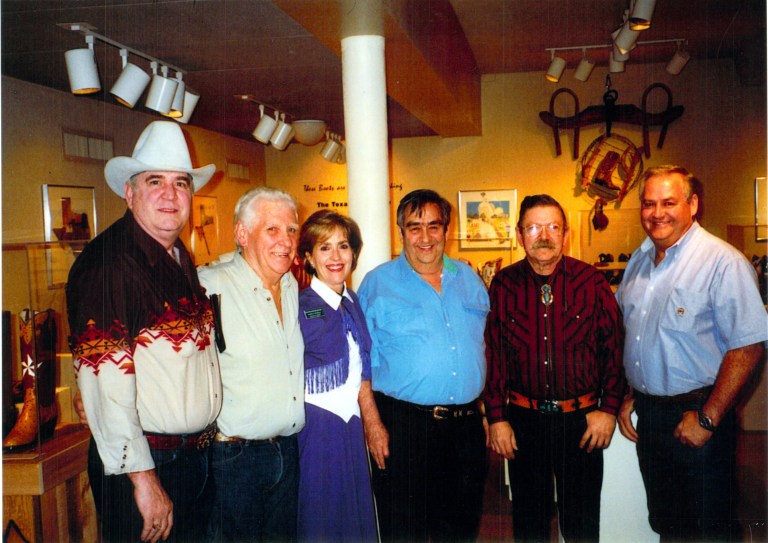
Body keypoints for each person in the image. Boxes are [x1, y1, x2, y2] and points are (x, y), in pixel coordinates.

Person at [66, 121, 222, 543]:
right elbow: (106, 386)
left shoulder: (176, 256)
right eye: (156, 181)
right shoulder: (110, 266)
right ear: (129, 192)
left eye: (181, 183)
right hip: (148, 467)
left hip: (189, 460)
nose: (170, 195)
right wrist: (144, 480)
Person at [616, 165, 767, 541]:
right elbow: (637, 336)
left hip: (698, 414)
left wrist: (708, 418)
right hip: (651, 418)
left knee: (710, 527)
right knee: (668, 524)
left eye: (669, 202)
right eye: (649, 203)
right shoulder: (639, 260)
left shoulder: (722, 262)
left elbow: (747, 346)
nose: (657, 212)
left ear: (693, 204)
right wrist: (630, 395)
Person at [484, 194, 626, 542]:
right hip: (524, 421)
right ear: (520, 235)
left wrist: (607, 410)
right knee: (529, 522)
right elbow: (493, 357)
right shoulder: (503, 285)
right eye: (533, 227)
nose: (543, 235)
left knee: (580, 523)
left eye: (552, 227)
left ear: (565, 233)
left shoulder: (591, 282)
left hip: (581, 422)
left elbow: (615, 350)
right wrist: (497, 417)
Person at [358, 189, 489, 542]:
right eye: (414, 227)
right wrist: (372, 424)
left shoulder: (469, 278)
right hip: (405, 427)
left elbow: (482, 346)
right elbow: (360, 365)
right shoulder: (377, 284)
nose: (426, 237)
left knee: (461, 530)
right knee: (405, 530)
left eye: (434, 226)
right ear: (401, 231)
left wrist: (488, 414)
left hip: (465, 430)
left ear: (446, 229)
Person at [197, 187, 305, 542]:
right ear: (242, 234)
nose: (286, 241)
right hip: (235, 459)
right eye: (272, 229)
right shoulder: (209, 285)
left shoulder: (290, 285)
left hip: (287, 452)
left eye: (291, 230)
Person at [296, 210, 386, 542]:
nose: (336, 256)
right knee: (321, 520)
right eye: (324, 247)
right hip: (317, 427)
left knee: (355, 517)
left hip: (350, 424)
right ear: (308, 257)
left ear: (353, 253)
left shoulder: (352, 300)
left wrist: (371, 420)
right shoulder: (299, 305)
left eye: (343, 246)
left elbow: (360, 367)